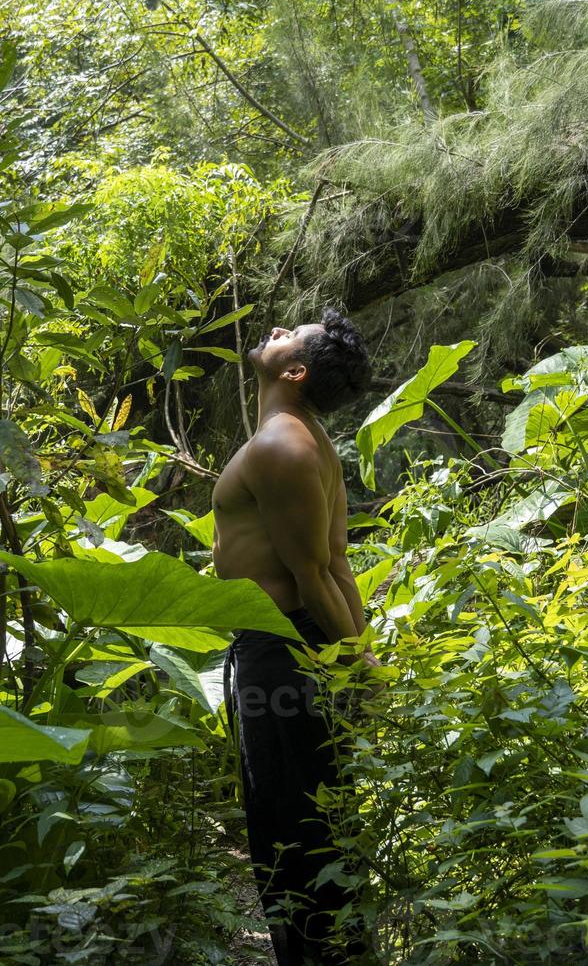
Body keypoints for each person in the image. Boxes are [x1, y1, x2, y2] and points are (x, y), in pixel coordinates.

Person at [212, 307, 381, 965]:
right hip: (294, 650)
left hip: (281, 653)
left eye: (291, 335)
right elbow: (335, 564)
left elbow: (314, 577)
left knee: (292, 836)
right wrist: (357, 653)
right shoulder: (302, 437)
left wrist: (356, 664)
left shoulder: (282, 447)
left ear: (297, 369)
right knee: (315, 829)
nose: (277, 331)